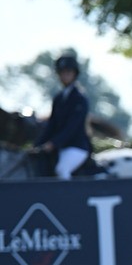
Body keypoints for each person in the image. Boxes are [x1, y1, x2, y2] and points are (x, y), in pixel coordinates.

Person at [34, 52, 93, 180]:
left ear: (74, 74)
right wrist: (37, 145)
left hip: (77, 147)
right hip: (61, 147)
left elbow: (72, 127)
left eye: (68, 72)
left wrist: (53, 143)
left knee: (62, 169)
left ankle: (68, 199)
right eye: (62, 72)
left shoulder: (80, 98)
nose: (65, 75)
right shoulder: (58, 98)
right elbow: (51, 125)